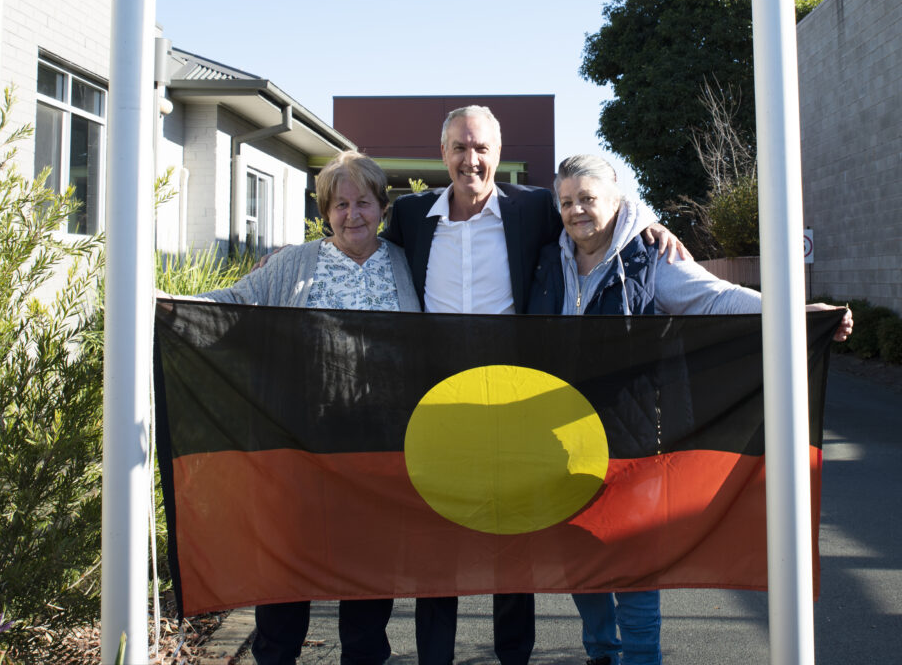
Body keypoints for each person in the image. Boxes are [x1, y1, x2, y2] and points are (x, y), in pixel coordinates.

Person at [381, 106, 690, 665]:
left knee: (512, 542)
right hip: (441, 413)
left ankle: (514, 656)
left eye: (480, 148)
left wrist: (648, 224)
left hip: (519, 409)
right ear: (442, 152)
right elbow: (366, 254)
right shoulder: (408, 216)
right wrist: (301, 256)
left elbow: (597, 217)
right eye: (458, 147)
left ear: (497, 154)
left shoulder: (531, 210)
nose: (469, 159)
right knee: (439, 544)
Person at [527, 154, 853, 665]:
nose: (576, 211)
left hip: (632, 441)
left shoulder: (651, 259)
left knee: (634, 563)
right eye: (566, 201)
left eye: (588, 198)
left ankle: (641, 658)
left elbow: (717, 300)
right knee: (580, 556)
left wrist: (795, 313)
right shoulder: (548, 258)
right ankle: (600, 652)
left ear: (616, 200)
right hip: (563, 443)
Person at [191, 150, 420, 665]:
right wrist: (164, 304)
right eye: (340, 204)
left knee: (366, 579)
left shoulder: (407, 264)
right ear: (326, 212)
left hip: (377, 449)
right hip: (300, 443)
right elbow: (235, 302)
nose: (352, 214)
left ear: (382, 207)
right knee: (286, 576)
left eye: (363, 202)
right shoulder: (295, 264)